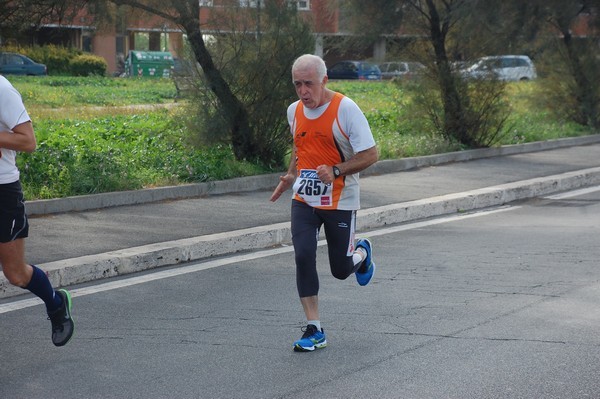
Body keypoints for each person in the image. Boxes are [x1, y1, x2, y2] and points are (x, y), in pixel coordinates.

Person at [270, 54, 379, 352]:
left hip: (340, 199)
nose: (303, 92)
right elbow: (299, 143)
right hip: (304, 198)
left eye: (309, 84)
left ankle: (362, 253)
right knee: (303, 255)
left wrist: (336, 170)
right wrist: (291, 173)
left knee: (341, 269)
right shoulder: (294, 111)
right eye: (297, 85)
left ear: (324, 81)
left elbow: (371, 154)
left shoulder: (346, 109)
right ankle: (314, 328)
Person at [0, 74, 74, 347]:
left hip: (3, 192)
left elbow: (28, 140)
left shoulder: (2, 89)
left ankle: (56, 304)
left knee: (16, 273)